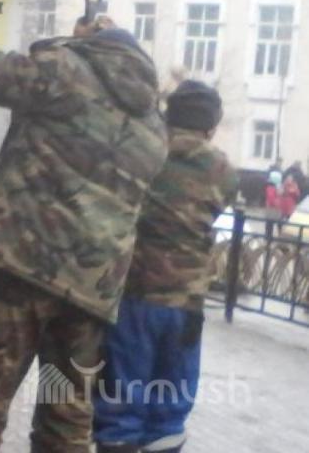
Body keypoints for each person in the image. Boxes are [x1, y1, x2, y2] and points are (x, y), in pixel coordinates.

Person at [0, 0, 168, 453]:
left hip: (27, 266)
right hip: (90, 290)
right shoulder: (155, 127)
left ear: (92, 42)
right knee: (65, 417)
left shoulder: (67, 71)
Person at [94, 80, 238, 453]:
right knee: (170, 408)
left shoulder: (143, 152)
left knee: (120, 403)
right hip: (186, 305)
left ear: (168, 115)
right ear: (211, 125)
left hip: (134, 296)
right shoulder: (223, 169)